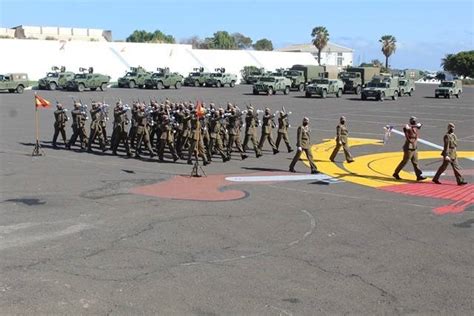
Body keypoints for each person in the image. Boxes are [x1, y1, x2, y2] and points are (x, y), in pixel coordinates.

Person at [393, 116, 426, 181]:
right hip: (409, 147)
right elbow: (406, 134)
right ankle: (396, 173)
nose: (415, 122)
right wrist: (407, 128)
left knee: (415, 162)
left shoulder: (415, 127)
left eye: (415, 121)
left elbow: (419, 126)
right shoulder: (407, 127)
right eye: (414, 121)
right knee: (405, 161)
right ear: (411, 121)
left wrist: (419, 125)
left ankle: (418, 175)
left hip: (414, 147)